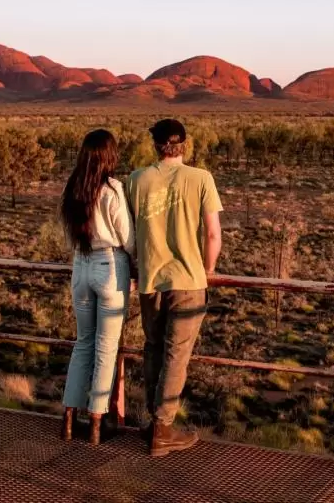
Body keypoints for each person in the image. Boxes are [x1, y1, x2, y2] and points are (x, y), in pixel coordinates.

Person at [126, 119, 222, 457]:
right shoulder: (201, 179)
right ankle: (163, 430)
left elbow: (129, 233)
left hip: (151, 280)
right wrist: (208, 269)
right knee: (176, 356)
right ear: (184, 144)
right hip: (188, 281)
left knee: (153, 349)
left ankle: (155, 425)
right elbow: (212, 234)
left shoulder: (137, 179)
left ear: (155, 145)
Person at [58, 129, 135, 445]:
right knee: (106, 347)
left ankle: (67, 418)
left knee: (83, 343)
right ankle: (97, 423)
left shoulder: (72, 188)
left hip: (80, 266)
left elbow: (69, 236)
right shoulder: (112, 190)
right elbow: (128, 238)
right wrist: (139, 266)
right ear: (109, 156)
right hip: (109, 267)